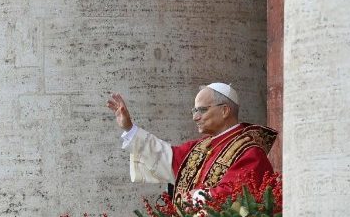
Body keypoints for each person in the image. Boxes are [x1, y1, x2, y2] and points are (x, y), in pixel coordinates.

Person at [106, 82, 277, 202]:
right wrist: (130, 129)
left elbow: (237, 195)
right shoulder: (198, 148)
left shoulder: (250, 152)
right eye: (194, 111)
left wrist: (192, 199)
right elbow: (163, 157)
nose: (195, 117)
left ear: (225, 110)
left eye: (202, 110)